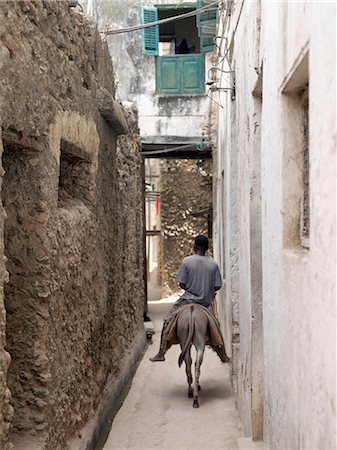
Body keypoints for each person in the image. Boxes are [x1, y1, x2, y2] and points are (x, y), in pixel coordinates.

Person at [150, 234, 222, 362]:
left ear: (194, 247)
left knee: (167, 320)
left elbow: (181, 283)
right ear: (207, 247)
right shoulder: (213, 264)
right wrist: (206, 290)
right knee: (216, 325)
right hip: (205, 302)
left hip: (187, 300)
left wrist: (192, 287)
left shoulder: (187, 261)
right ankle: (222, 353)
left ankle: (161, 353)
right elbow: (217, 286)